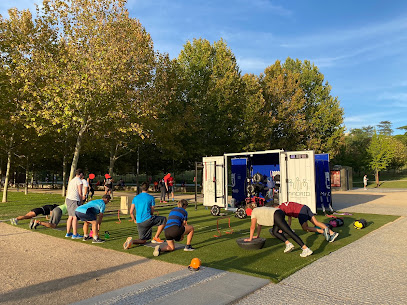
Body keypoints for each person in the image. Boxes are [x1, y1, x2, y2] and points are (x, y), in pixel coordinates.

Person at [244, 203, 313, 257]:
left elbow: (252, 227)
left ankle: (305, 249)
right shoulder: (258, 209)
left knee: (289, 232)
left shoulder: (254, 212)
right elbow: (259, 224)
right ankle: (288, 244)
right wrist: (257, 235)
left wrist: (250, 239)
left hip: (276, 215)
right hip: (279, 213)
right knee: (275, 232)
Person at [123, 182, 167, 249]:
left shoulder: (136, 198)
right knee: (163, 219)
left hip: (139, 221)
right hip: (148, 219)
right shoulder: (151, 198)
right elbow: (152, 211)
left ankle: (132, 241)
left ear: (141, 188)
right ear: (148, 188)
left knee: (143, 240)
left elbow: (131, 212)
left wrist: (134, 220)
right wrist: (152, 217)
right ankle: (156, 237)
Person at [65, 168, 84, 239]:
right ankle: (75, 234)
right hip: (74, 199)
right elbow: (80, 192)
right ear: (81, 174)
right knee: (75, 217)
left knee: (70, 216)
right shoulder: (79, 181)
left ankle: (68, 232)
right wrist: (81, 200)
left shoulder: (72, 180)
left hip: (69, 199)